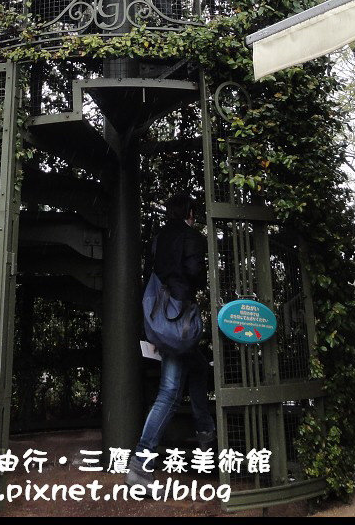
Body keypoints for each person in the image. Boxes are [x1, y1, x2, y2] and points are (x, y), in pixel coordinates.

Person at [127, 192, 216, 493]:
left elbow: (154, 271)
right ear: (189, 212)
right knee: (169, 393)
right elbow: (195, 274)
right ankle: (140, 463)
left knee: (200, 368)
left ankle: (205, 430)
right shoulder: (192, 237)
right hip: (178, 320)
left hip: (161, 318)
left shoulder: (157, 238)